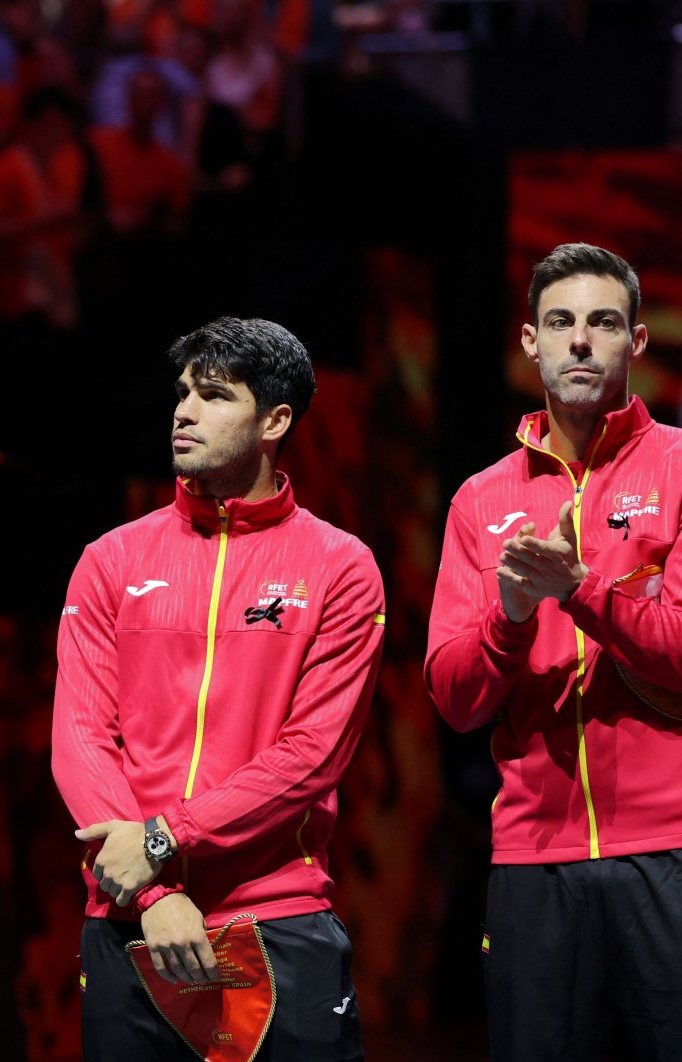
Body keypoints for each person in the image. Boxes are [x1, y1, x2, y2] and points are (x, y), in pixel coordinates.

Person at [51, 317, 385, 1061]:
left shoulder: (340, 565)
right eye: (181, 394)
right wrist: (153, 892)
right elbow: (80, 738)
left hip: (276, 920)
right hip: (130, 922)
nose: (184, 411)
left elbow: (311, 756)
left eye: (212, 395)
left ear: (275, 421)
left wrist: (165, 839)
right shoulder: (110, 559)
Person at [426, 243, 682, 1061]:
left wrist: (580, 591)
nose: (580, 341)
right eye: (560, 322)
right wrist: (508, 616)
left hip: (670, 849)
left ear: (635, 342)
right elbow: (456, 700)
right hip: (534, 859)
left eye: (603, 323)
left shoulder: (680, 468)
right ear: (529, 342)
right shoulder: (480, 499)